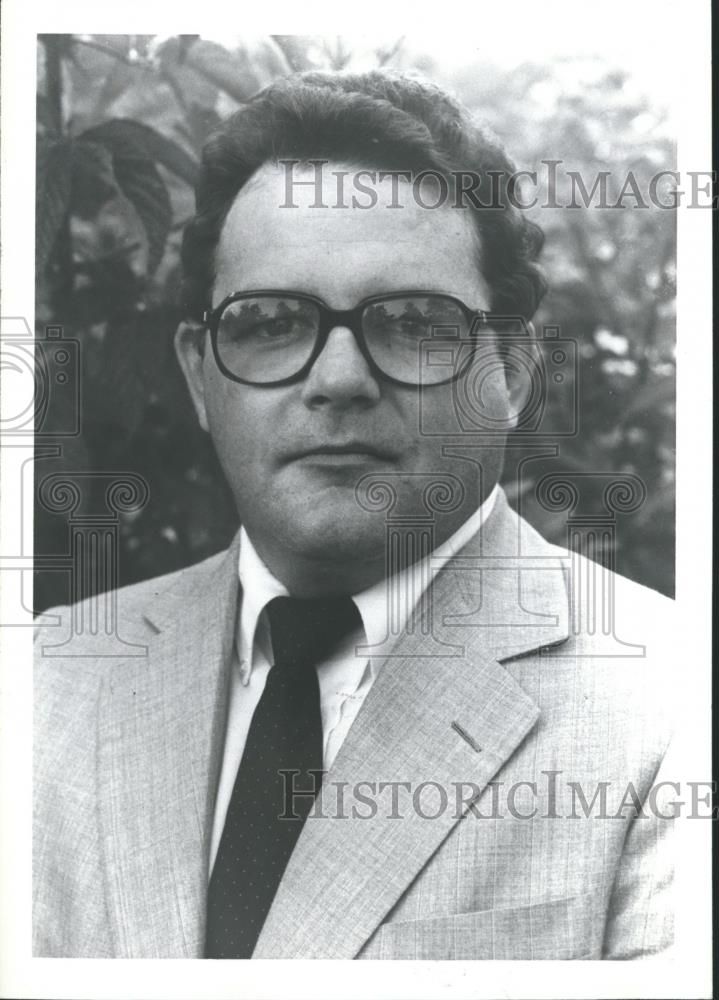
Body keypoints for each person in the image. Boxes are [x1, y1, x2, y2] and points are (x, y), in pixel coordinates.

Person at [33, 70, 675, 960]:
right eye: (268, 321)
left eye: (413, 322)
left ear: (515, 372)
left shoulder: (672, 708)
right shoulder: (40, 686)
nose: (337, 379)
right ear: (197, 373)